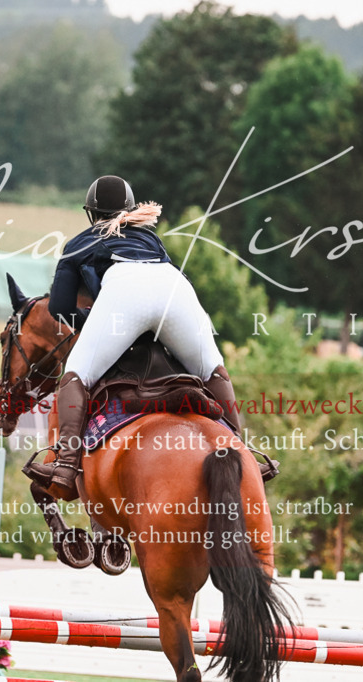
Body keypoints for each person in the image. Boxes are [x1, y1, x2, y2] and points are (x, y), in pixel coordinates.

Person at [21, 175, 265, 497]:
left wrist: (94, 321)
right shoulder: (152, 239)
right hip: (174, 287)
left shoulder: (79, 243)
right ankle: (246, 454)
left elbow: (60, 307)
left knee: (75, 377)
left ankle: (66, 464)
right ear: (129, 209)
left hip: (125, 292)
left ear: (91, 213)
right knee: (213, 369)